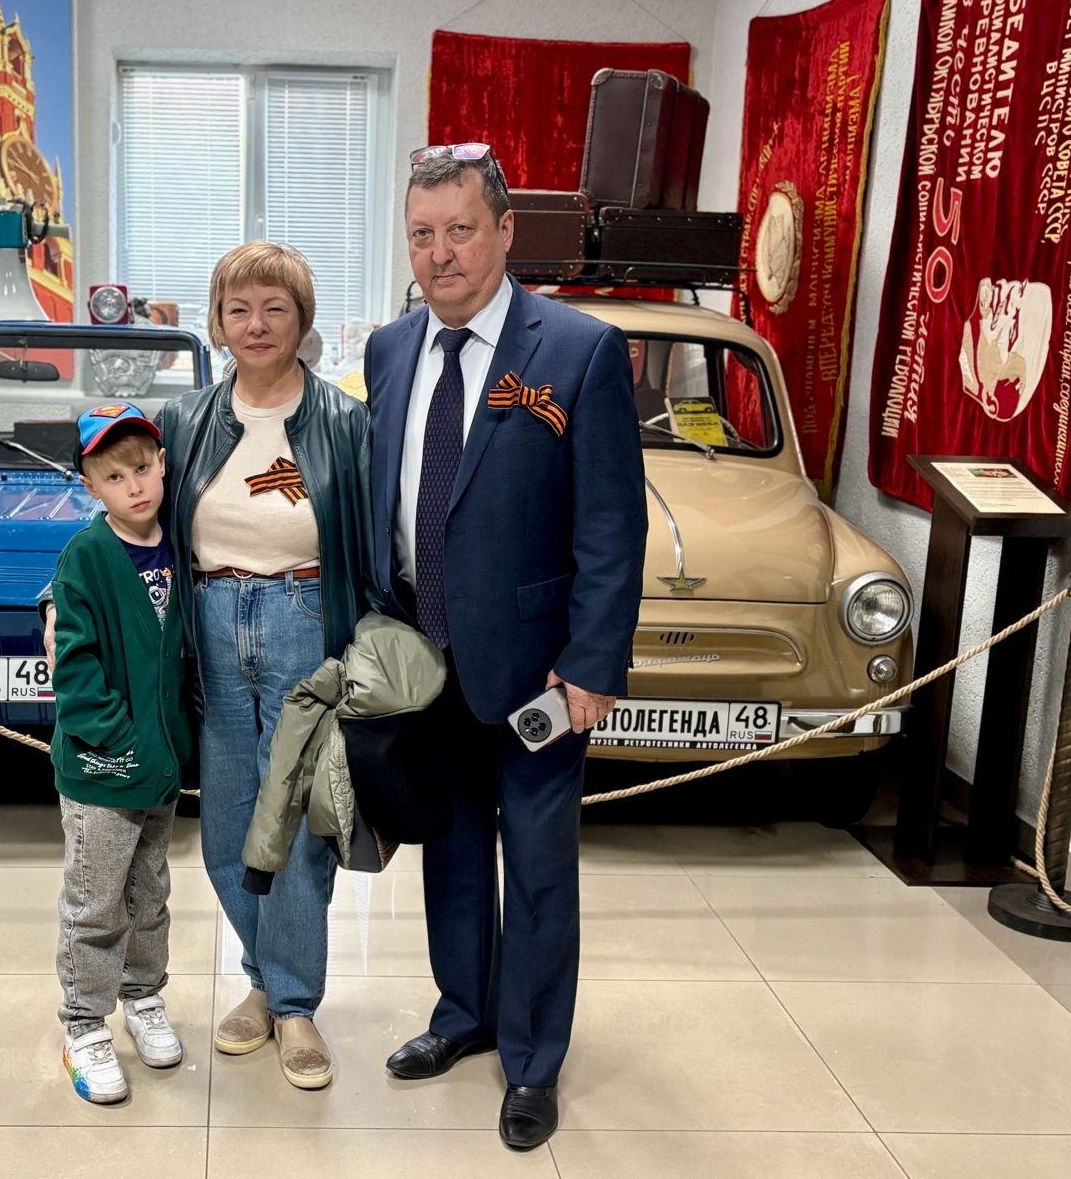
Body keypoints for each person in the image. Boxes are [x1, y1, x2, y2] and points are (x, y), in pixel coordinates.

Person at [365, 144, 645, 1150]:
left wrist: (593, 663)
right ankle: (465, 1013)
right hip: (423, 655)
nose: (440, 255)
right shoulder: (390, 348)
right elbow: (388, 498)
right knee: (447, 851)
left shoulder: (578, 350)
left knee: (534, 866)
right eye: (421, 235)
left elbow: (611, 525)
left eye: (460, 231)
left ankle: (531, 1060)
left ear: (505, 231)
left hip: (538, 669)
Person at [46, 242, 376, 1089]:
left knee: (295, 820)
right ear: (218, 324)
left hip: (306, 620)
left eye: (275, 308)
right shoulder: (187, 421)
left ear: (302, 320)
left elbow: (376, 547)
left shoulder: (345, 423)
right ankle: (261, 982)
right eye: (239, 310)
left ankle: (295, 1003)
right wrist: (55, 599)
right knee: (229, 823)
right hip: (210, 628)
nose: (256, 325)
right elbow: (123, 517)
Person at [49, 401, 193, 1105]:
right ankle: (83, 1023)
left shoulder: (179, 545)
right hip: (103, 769)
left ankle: (143, 995)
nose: (133, 486)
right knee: (97, 901)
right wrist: (121, 741)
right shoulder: (85, 556)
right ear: (91, 486)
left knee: (150, 893)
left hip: (159, 769)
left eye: (141, 468)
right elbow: (75, 670)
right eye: (114, 477)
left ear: (162, 463)